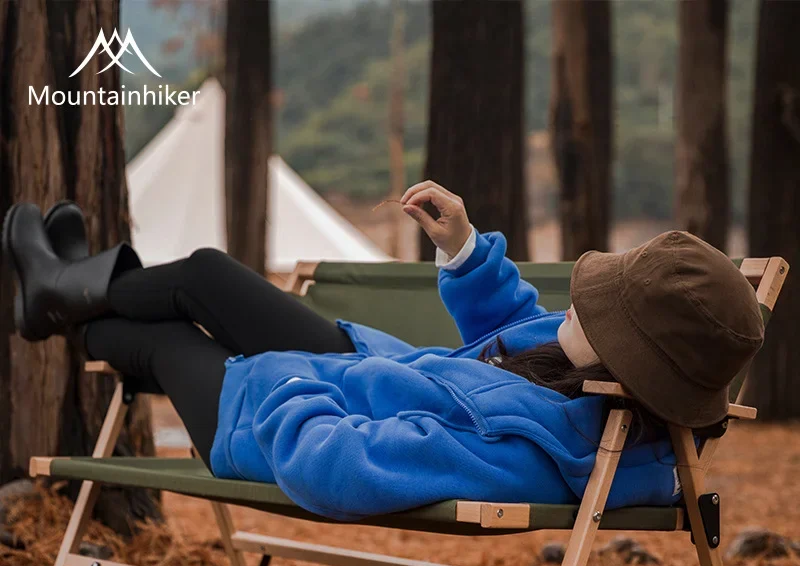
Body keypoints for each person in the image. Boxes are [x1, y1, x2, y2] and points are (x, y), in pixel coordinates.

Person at [1, 182, 764, 522]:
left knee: (164, 340)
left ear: (629, 361)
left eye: (598, 309)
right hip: (360, 367)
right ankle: (59, 290)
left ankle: (62, 297)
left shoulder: (527, 454)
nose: (577, 302)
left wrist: (286, 380)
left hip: (269, 421)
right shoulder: (591, 368)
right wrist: (464, 248)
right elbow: (519, 333)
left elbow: (339, 466)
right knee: (206, 274)